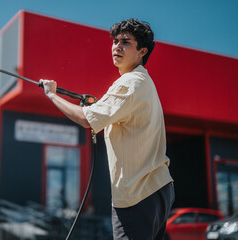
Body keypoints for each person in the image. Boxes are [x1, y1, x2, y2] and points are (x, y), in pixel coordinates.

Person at [40, 18, 174, 240]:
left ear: (142, 51)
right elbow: (104, 115)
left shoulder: (131, 83)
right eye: (115, 41)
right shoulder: (143, 82)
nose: (117, 46)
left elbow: (86, 119)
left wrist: (51, 94)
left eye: (125, 42)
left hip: (138, 194)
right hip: (156, 188)